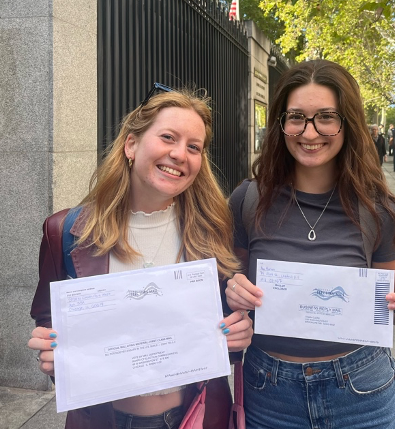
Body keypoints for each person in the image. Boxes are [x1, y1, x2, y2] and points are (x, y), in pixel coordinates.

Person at [224, 60, 395, 429]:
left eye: (326, 117)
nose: (309, 132)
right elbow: (227, 292)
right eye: (296, 117)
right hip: (269, 392)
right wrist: (231, 296)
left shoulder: (379, 209)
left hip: (361, 392)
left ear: (347, 123)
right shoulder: (248, 200)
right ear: (280, 124)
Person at [27, 88, 253, 429]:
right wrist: (51, 347)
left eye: (194, 147)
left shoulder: (214, 230)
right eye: (168, 138)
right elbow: (48, 317)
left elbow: (223, 330)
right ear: (131, 144)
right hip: (103, 419)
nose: (180, 154)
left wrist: (239, 332)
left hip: (198, 415)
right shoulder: (65, 230)